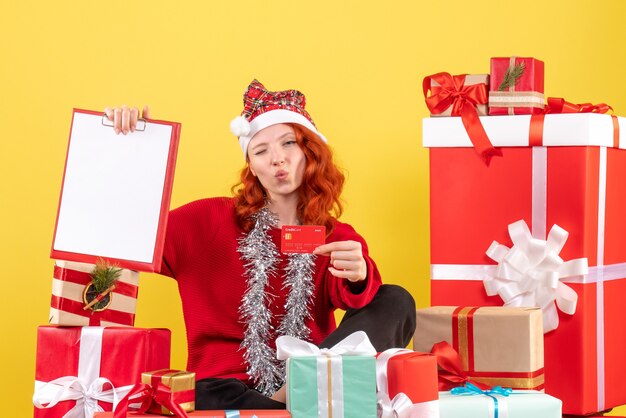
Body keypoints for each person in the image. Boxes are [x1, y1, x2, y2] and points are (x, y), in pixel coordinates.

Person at [105, 79, 416, 410]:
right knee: (201, 394)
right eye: (261, 150)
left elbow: (365, 305)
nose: (277, 159)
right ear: (251, 165)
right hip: (225, 387)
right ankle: (285, 405)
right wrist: (131, 152)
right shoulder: (206, 219)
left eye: (288, 144)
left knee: (395, 299)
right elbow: (128, 236)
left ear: (309, 151)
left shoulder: (335, 237)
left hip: (308, 376)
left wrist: (360, 276)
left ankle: (288, 396)